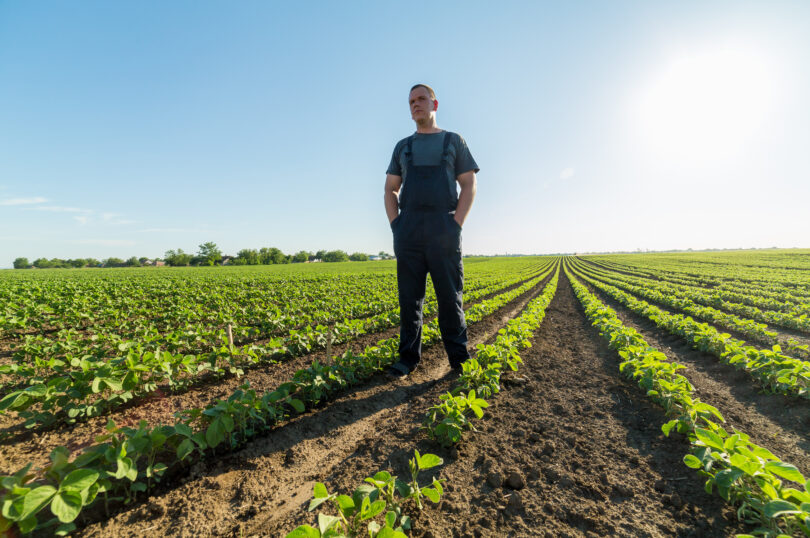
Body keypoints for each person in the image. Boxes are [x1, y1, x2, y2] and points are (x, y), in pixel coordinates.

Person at [383, 83, 479, 377]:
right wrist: (396, 226)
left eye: (422, 99)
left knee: (450, 298)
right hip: (409, 229)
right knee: (409, 299)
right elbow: (390, 189)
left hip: (443, 228)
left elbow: (468, 185)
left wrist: (456, 224)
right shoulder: (403, 146)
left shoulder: (454, 141)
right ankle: (408, 358)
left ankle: (459, 359)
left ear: (434, 105)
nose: (416, 104)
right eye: (411, 101)